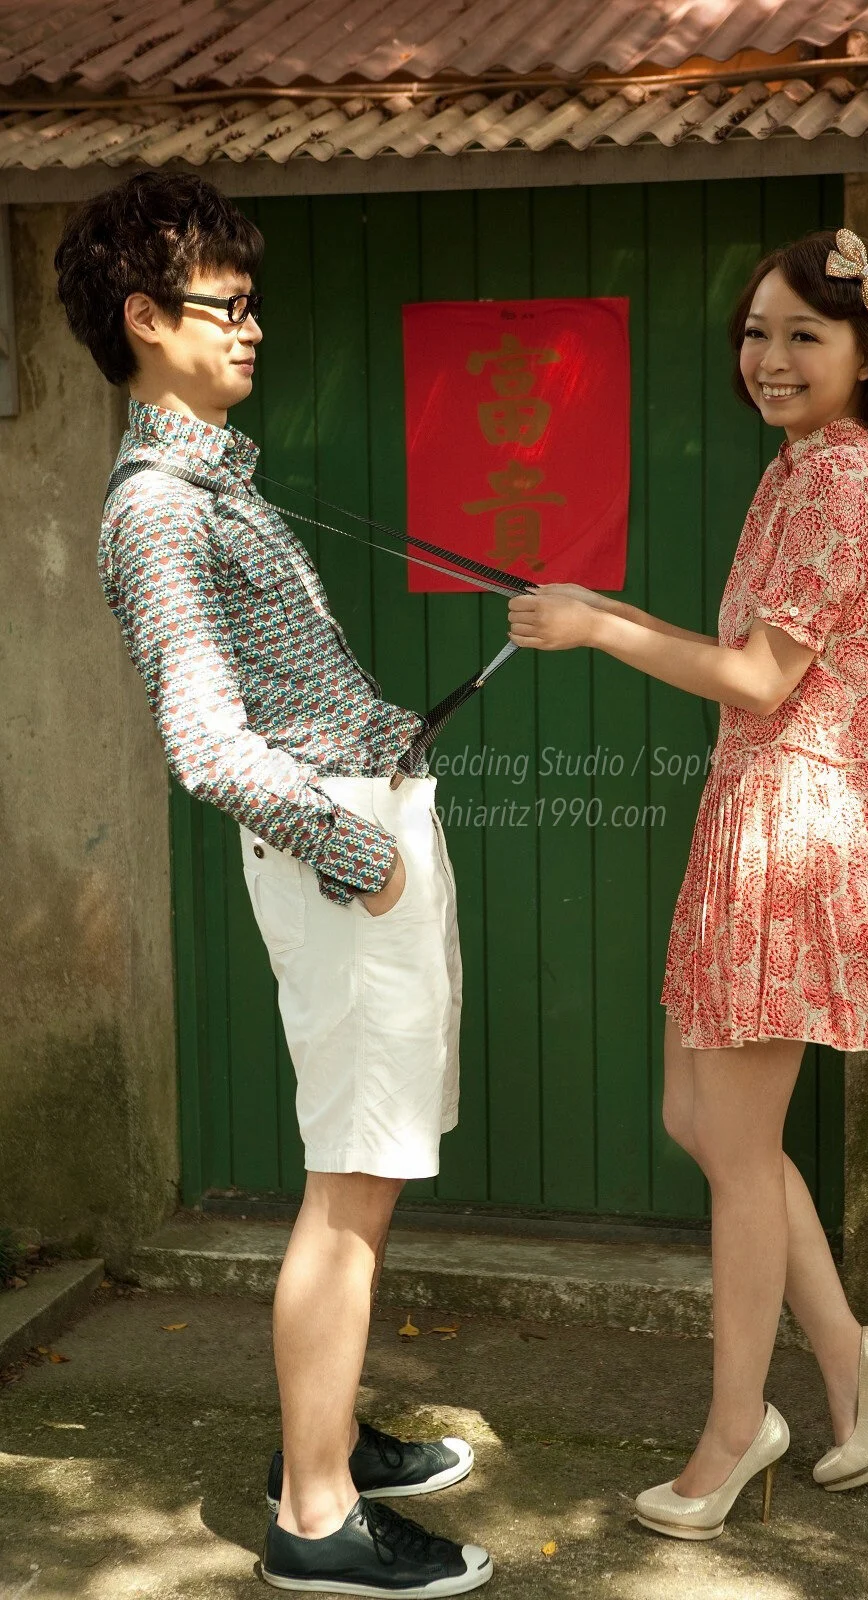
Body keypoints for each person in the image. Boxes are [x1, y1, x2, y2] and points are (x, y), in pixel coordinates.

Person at [507, 227, 868, 1540]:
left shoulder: (837, 483)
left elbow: (761, 679)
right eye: (755, 333)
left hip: (794, 833)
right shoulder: (803, 470)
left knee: (736, 1151)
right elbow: (752, 661)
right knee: (708, 1128)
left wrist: (599, 629)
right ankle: (848, 1356)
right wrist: (611, 616)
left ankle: (733, 1430)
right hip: (754, 819)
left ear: (867, 352)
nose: (768, 357)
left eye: (801, 335)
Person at [55, 171, 491, 1596]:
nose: (252, 325)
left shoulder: (205, 484)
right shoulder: (154, 512)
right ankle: (315, 1516)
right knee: (348, 1191)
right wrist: (361, 855)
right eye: (225, 304)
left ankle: (328, 1437)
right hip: (336, 860)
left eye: (253, 304)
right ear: (144, 317)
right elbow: (203, 744)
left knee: (369, 1172)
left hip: (357, 840)